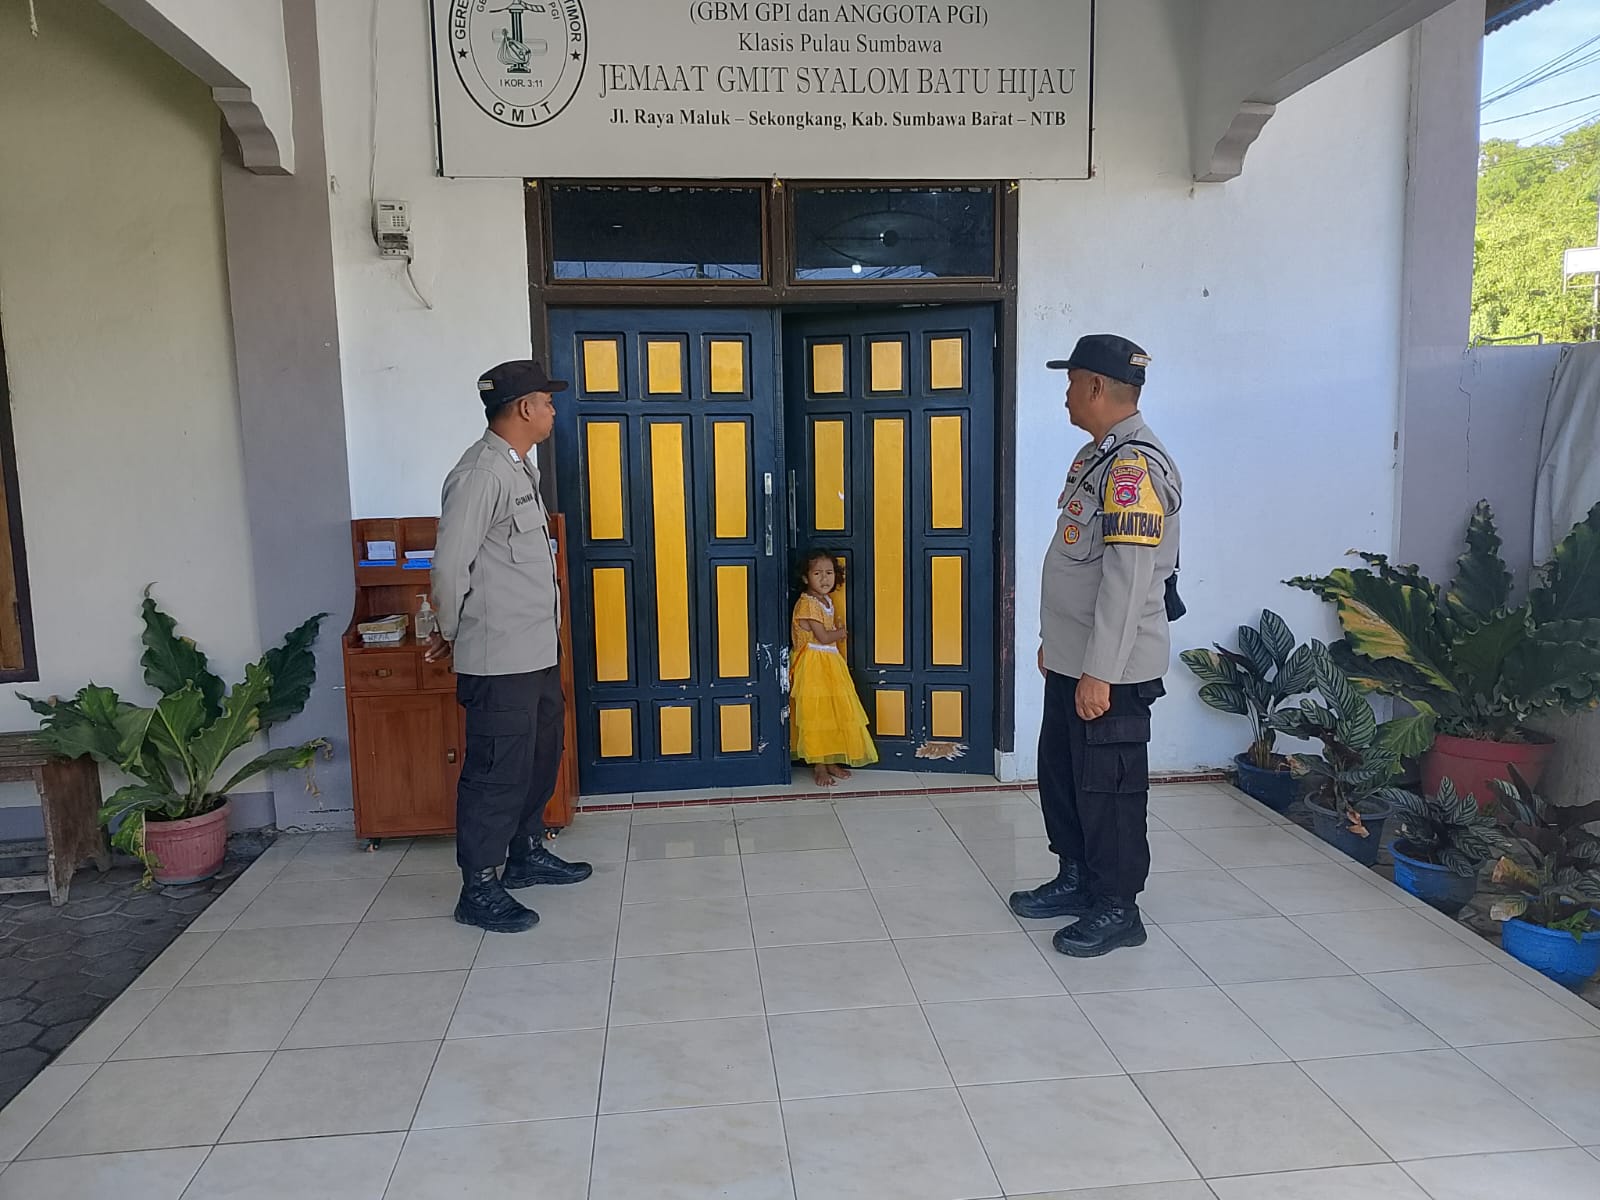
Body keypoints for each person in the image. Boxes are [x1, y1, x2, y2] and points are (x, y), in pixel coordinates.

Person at [1010, 334, 1182, 957]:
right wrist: (1055, 647)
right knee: (1063, 775)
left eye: (1070, 383)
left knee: (1109, 789)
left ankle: (1116, 906)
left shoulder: (1134, 468)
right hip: (1075, 658)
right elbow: (1076, 569)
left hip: (1112, 670)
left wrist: (1100, 672)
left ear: (1096, 387)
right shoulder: (1096, 458)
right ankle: (1077, 877)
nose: (1066, 395)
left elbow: (1127, 581)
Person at [427, 359, 592, 934]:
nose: (552, 410)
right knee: (496, 769)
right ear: (524, 408)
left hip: (535, 651)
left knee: (539, 755)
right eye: (547, 401)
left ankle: (524, 852)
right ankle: (478, 887)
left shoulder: (518, 468)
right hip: (498, 657)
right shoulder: (480, 473)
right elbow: (450, 565)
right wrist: (452, 632)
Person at [790, 549, 878, 786]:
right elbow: (823, 637)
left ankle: (830, 761)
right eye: (817, 573)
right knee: (817, 715)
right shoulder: (807, 604)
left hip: (829, 663)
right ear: (806, 577)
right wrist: (840, 633)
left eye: (829, 573)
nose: (824, 578)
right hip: (813, 665)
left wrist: (836, 634)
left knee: (832, 714)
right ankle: (819, 765)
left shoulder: (826, 600)